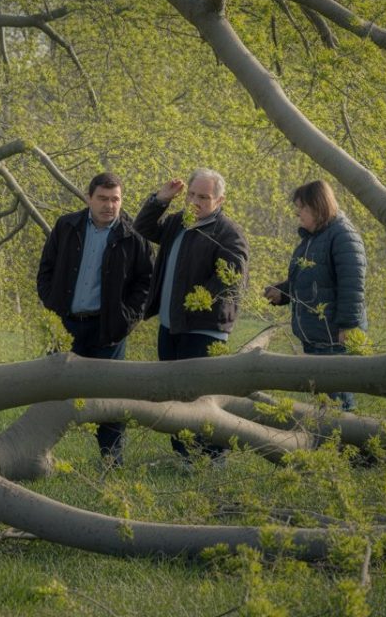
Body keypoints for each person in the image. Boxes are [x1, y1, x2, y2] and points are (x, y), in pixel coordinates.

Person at [37, 172, 154, 467]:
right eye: (102, 198)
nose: (109, 205)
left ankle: (111, 459)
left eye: (115, 199)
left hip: (109, 329)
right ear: (89, 198)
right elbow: (46, 269)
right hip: (66, 325)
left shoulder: (134, 236)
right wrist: (53, 304)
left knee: (110, 396)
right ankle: (37, 451)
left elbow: (147, 282)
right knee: (53, 389)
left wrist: (126, 319)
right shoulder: (67, 226)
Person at [134, 168, 249, 460]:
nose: (196, 202)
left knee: (200, 398)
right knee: (174, 396)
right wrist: (160, 200)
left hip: (203, 328)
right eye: (192, 195)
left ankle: (212, 457)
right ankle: (185, 456)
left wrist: (199, 300)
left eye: (204, 197)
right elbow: (144, 227)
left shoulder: (227, 232)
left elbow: (232, 276)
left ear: (220, 200)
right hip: (170, 325)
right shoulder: (178, 222)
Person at [263, 180, 366, 411]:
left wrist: (348, 327)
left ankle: (349, 444)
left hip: (333, 338)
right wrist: (283, 292)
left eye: (302, 207)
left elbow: (352, 285)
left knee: (338, 403)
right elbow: (310, 281)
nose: (297, 212)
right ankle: (328, 443)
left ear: (318, 206)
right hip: (316, 337)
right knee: (324, 403)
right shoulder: (312, 239)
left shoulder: (342, 236)